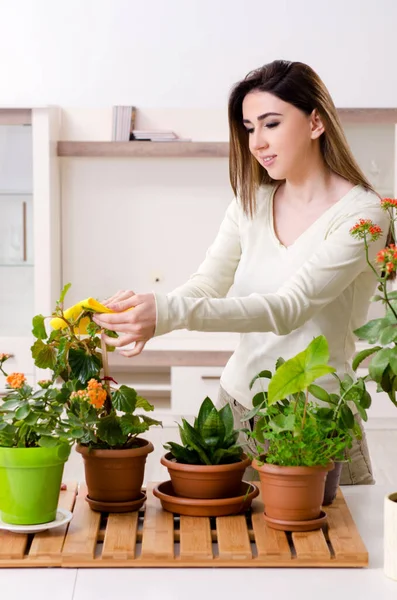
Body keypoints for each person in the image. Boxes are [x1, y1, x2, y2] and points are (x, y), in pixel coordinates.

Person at [92, 60, 389, 485]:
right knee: (231, 547)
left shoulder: (364, 215)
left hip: (316, 420)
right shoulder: (251, 202)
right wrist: (152, 316)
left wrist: (170, 312)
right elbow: (208, 284)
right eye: (249, 128)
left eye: (270, 123)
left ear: (316, 122)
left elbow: (291, 307)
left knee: (330, 546)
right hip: (237, 409)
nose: (256, 142)